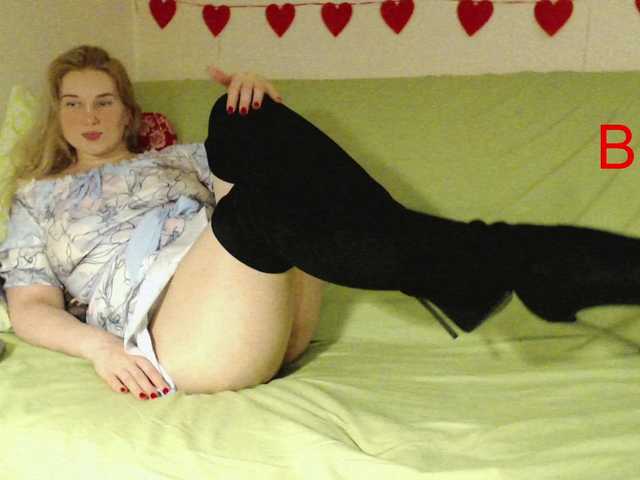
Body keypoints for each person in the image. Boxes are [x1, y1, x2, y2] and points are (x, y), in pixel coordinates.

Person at [3, 45, 640, 401]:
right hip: (187, 336)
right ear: (57, 115)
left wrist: (262, 109)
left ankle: (476, 266)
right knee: (259, 204)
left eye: (104, 100)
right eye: (73, 103)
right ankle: (498, 262)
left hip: (264, 293)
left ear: (128, 110)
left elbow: (271, 172)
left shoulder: (179, 158)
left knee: (237, 115)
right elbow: (29, 307)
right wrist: (100, 347)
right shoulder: (37, 198)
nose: (90, 116)